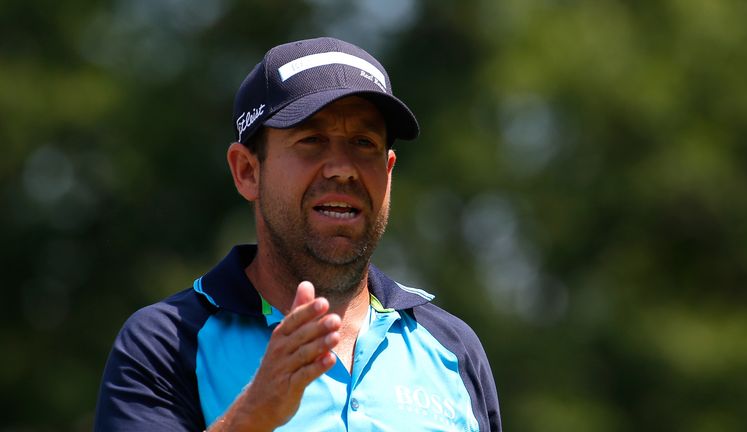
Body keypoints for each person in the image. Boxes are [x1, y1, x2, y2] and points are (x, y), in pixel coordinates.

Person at [94, 36, 501, 432]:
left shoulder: (452, 345)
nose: (342, 168)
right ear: (247, 172)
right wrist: (250, 418)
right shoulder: (165, 342)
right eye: (311, 140)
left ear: (389, 170)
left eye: (364, 142)